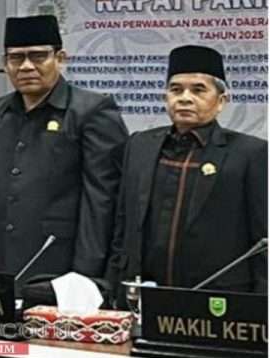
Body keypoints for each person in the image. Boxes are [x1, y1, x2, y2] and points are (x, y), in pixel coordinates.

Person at [0, 15, 128, 281]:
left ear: (60, 58)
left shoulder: (92, 112)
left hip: (60, 266)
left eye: (37, 56)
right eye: (16, 58)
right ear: (5, 64)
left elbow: (101, 205)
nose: (26, 66)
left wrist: (83, 279)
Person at [107, 45, 267, 302]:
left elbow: (262, 239)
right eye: (176, 90)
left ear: (221, 101)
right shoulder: (139, 145)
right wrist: (114, 286)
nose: (184, 98)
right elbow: (122, 224)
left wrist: (261, 305)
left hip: (217, 297)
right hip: (143, 292)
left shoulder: (249, 153)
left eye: (198, 90)